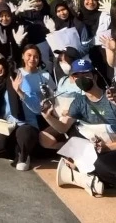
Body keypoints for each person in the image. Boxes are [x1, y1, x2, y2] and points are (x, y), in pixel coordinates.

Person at [41, 59, 115, 196]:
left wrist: (107, 147)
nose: (81, 78)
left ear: (94, 76)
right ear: (72, 79)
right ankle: (90, 177)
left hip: (111, 147)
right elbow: (63, 128)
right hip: (93, 149)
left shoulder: (111, 99)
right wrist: (47, 116)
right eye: (77, 76)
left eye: (85, 74)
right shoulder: (78, 102)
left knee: (103, 166)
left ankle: (83, 176)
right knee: (73, 133)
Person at [0, 51, 36, 171]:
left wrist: (20, 92)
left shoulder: (19, 78)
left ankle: (24, 156)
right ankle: (17, 152)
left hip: (25, 122)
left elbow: (36, 106)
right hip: (7, 125)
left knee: (24, 133)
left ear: (4, 63)